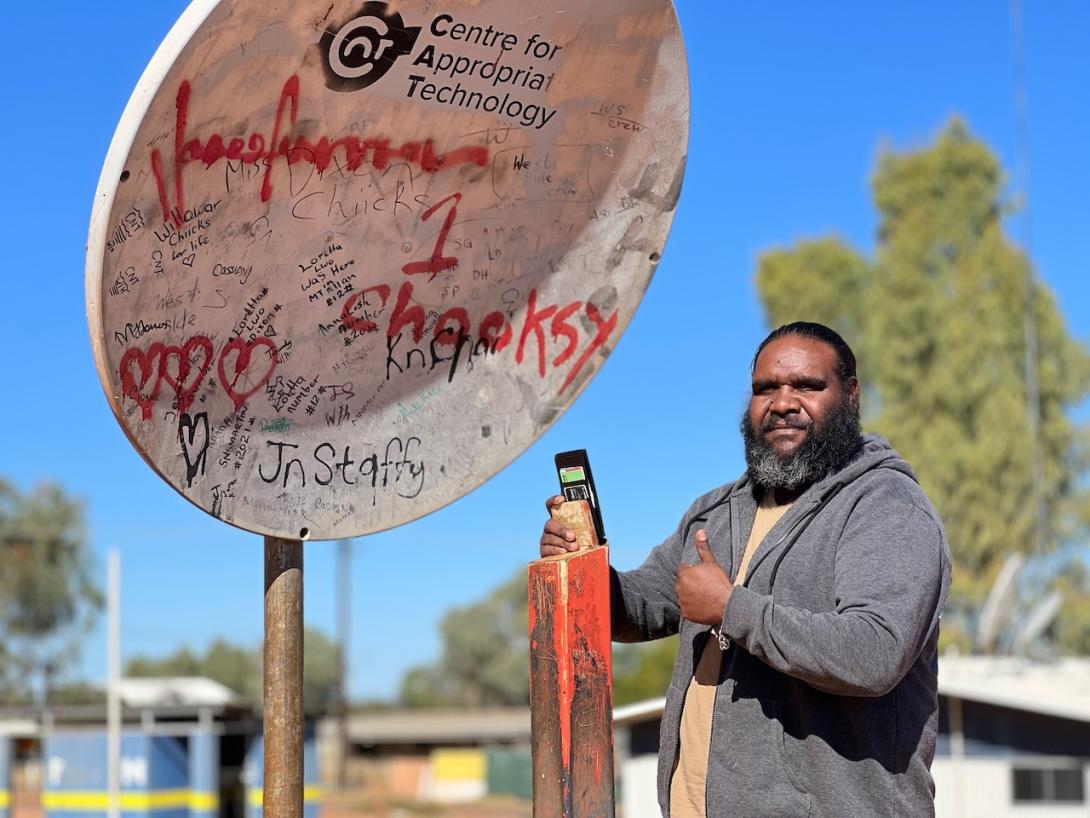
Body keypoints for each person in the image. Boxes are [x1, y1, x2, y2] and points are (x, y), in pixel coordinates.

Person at [540, 322, 951, 818]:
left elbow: (874, 653)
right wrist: (586, 568)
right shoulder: (716, 513)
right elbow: (637, 610)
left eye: (806, 386)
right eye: (765, 389)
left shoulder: (886, 505)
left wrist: (731, 608)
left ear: (851, 395)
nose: (782, 403)